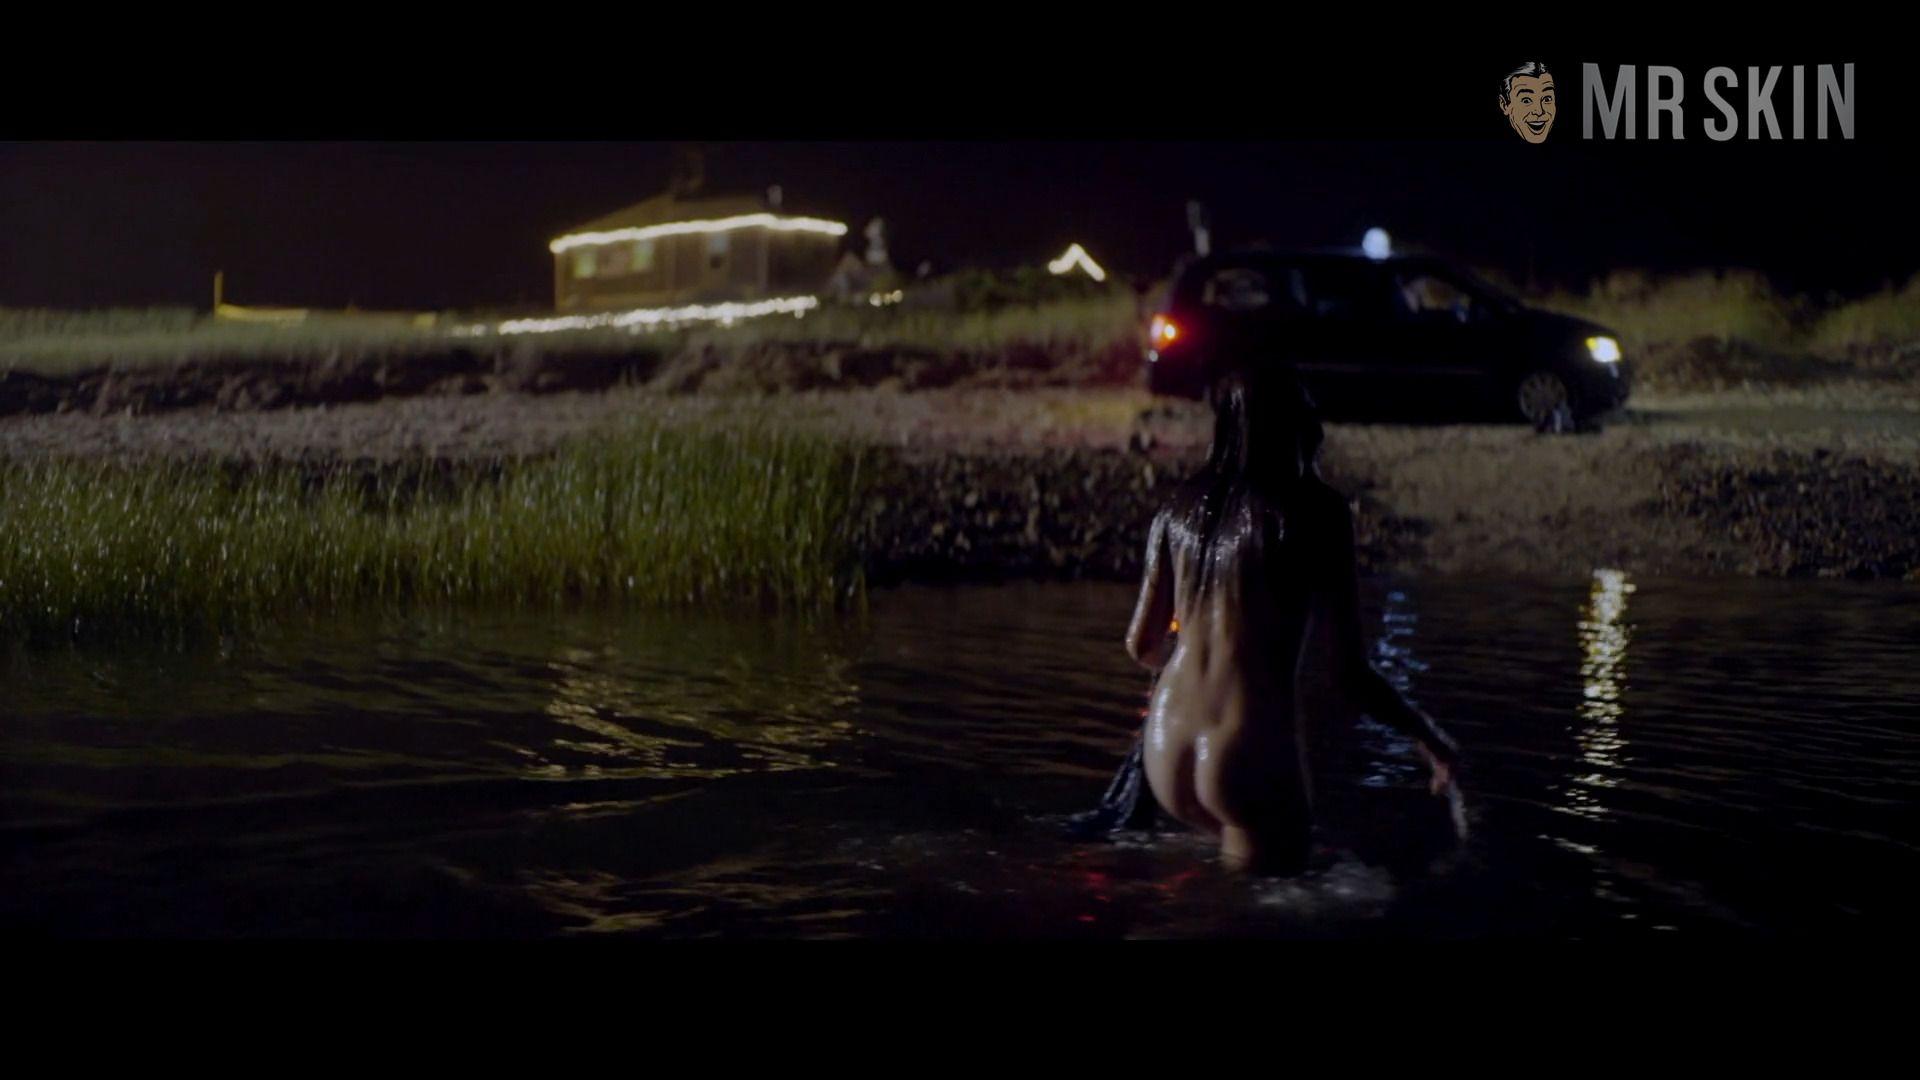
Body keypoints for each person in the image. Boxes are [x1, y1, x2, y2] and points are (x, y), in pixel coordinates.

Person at [1067, 366, 1460, 872]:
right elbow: (1349, 675)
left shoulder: (1177, 510)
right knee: (1268, 901)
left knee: (1213, 898)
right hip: (1247, 750)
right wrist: (1429, 736)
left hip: (1165, 746)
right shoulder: (1316, 511)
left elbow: (1141, 644)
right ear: (1299, 425)